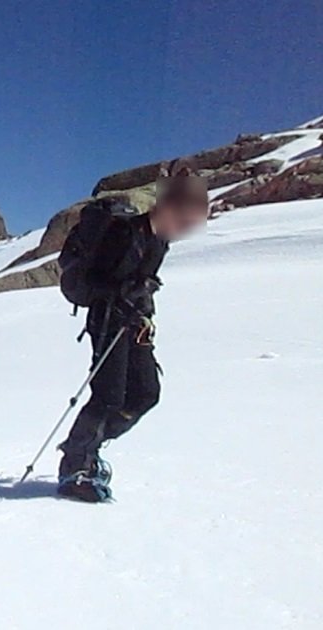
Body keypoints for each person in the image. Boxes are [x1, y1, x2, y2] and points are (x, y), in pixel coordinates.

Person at [56, 172, 209, 502]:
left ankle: (87, 447)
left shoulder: (159, 241)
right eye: (184, 221)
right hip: (108, 321)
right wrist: (126, 291)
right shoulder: (124, 234)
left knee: (145, 393)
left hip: (135, 322)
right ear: (169, 207)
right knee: (109, 396)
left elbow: (145, 280)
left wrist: (143, 305)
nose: (185, 230)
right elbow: (95, 282)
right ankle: (75, 466)